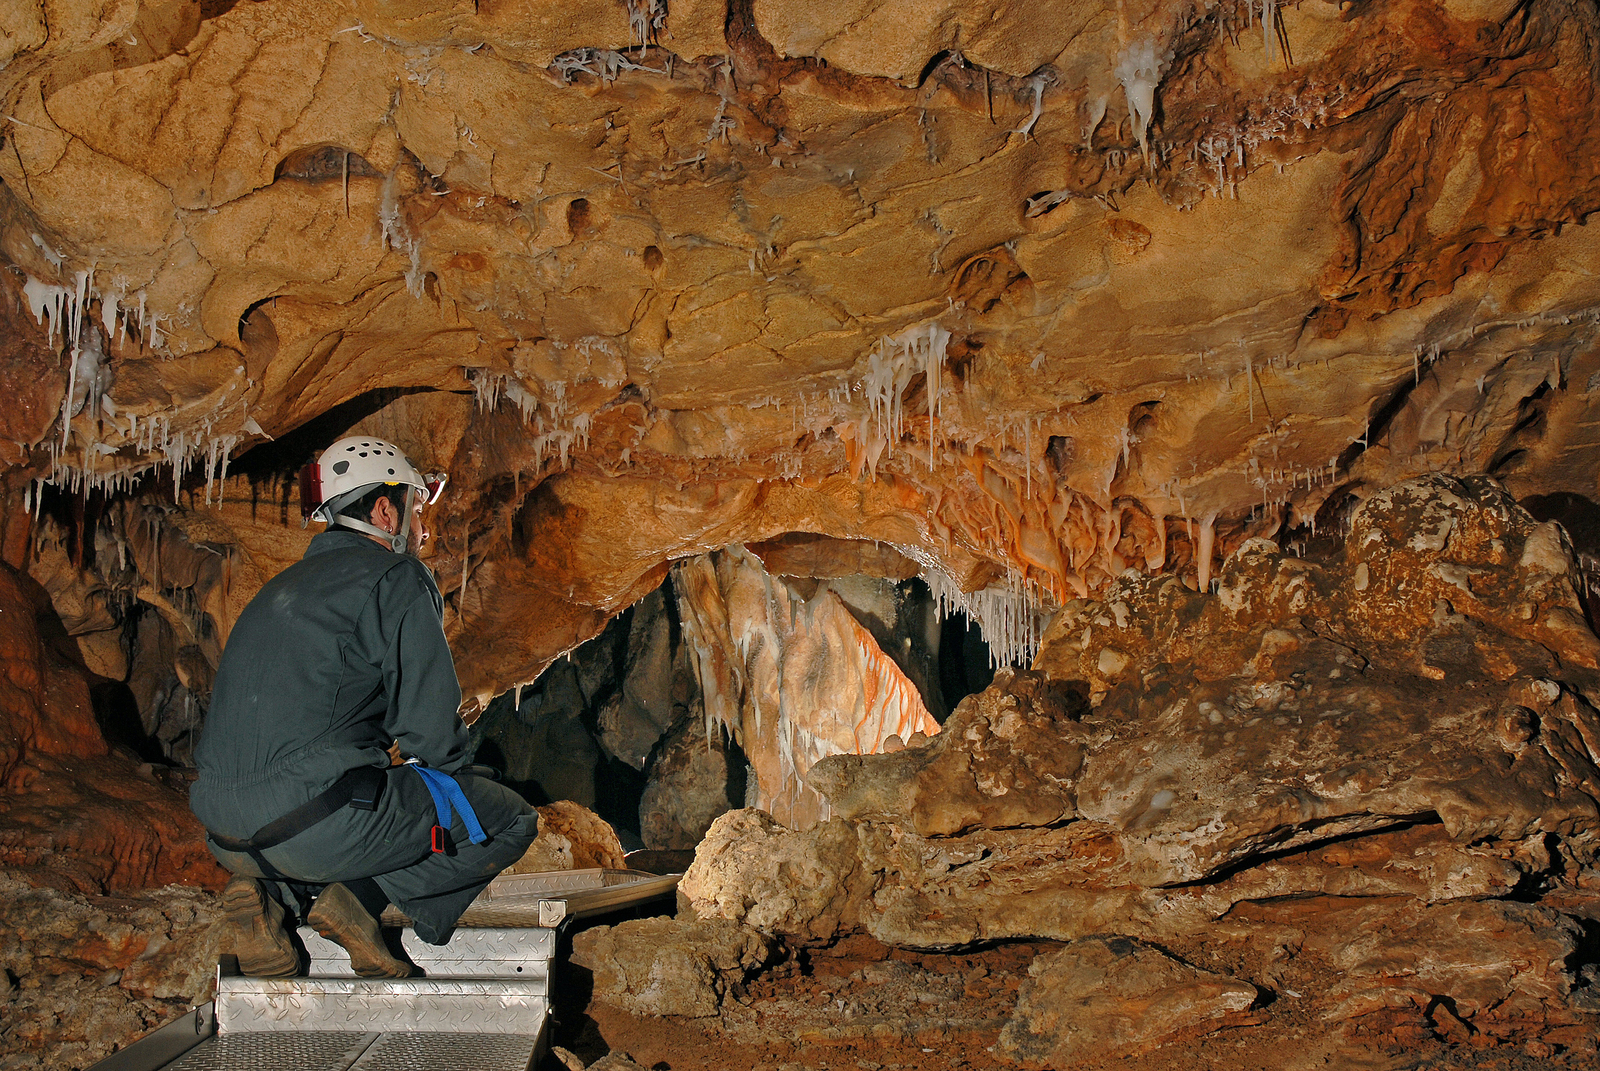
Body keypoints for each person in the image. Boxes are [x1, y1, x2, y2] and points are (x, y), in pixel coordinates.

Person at [190, 435, 537, 977]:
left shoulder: (277, 588)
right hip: (316, 826)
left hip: (223, 834)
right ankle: (361, 902)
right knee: (506, 818)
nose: (423, 530)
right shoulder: (394, 577)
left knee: (335, 805)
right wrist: (452, 784)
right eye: (418, 511)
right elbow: (430, 734)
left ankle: (271, 902)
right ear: (384, 509)